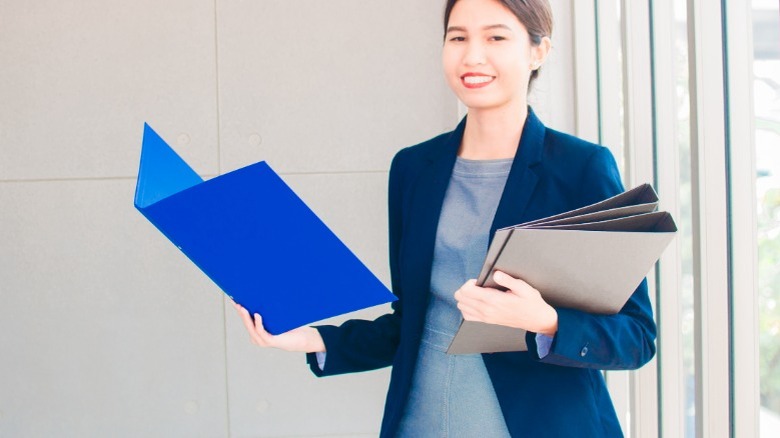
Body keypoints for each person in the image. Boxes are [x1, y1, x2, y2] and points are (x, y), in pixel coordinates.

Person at [234, 0, 657, 436]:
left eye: (495, 37)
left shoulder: (579, 169)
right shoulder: (415, 168)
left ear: (538, 51)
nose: (472, 55)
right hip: (420, 424)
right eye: (458, 37)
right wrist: (309, 338)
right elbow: (412, 319)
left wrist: (546, 321)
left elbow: (636, 336)